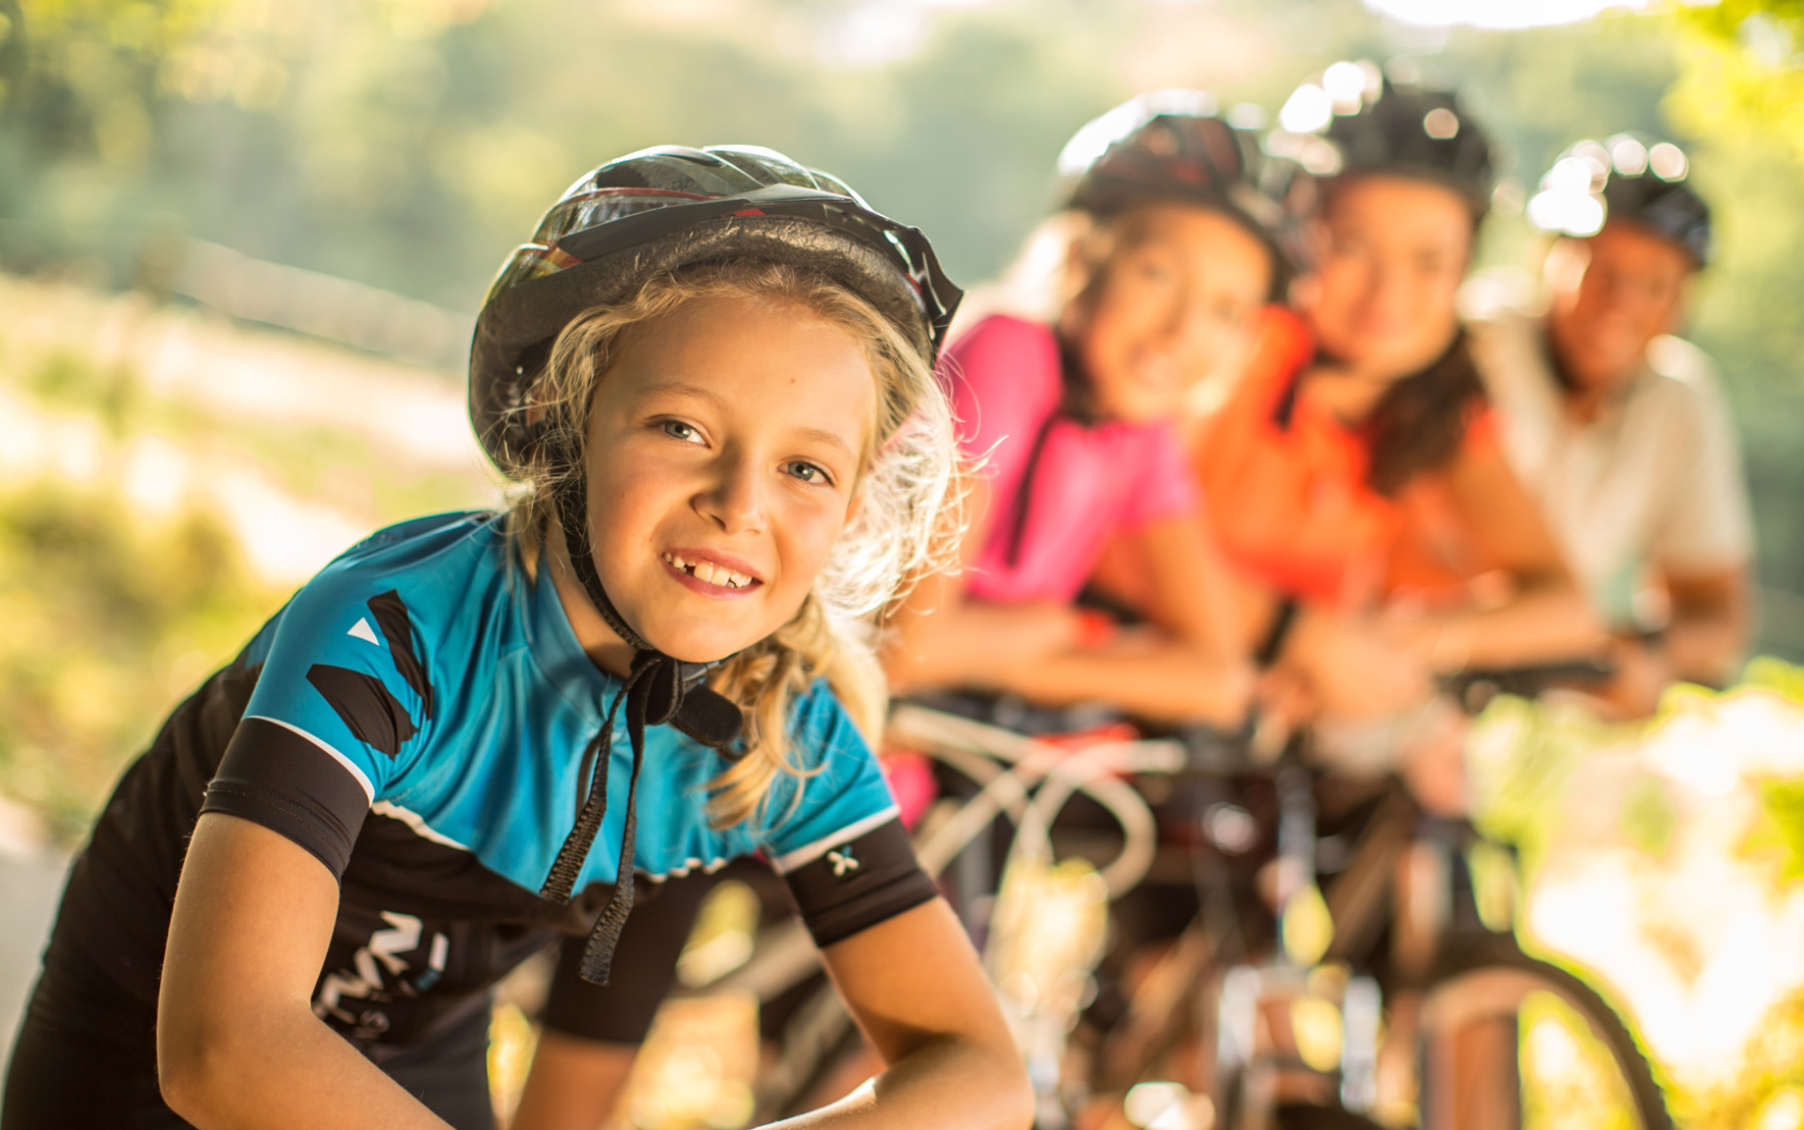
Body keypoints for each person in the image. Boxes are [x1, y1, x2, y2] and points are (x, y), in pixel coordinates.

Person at [0, 145, 1032, 1130]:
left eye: (804, 468)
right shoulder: (396, 623)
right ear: (562, 418)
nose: (737, 504)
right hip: (146, 1068)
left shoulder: (777, 727)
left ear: (853, 505)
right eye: (681, 428)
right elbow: (223, 1050)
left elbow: (981, 1072)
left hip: (411, 1071)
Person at [1173, 62, 1598, 779]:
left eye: (1430, 262)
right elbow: (1120, 536)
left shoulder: (1438, 399)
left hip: (1271, 730)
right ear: (1294, 235)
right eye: (1351, 247)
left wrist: (1403, 642)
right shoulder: (1242, 345)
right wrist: (1298, 636)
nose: (1389, 294)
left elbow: (1566, 606)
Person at [881, 91, 1284, 728]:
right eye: (1157, 274)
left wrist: (1034, 647)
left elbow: (1220, 677)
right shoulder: (1008, 352)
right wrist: (1060, 640)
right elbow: (905, 647)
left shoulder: (1140, 433)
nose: (1181, 333)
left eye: (1225, 311)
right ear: (1078, 259)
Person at [1475, 135, 1753, 714]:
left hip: (1536, 698)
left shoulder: (1682, 400)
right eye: (1599, 269)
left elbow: (1719, 618)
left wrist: (1650, 653)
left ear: (1684, 301)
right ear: (1545, 258)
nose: (1621, 304)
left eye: (1655, 284)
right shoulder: (1480, 340)